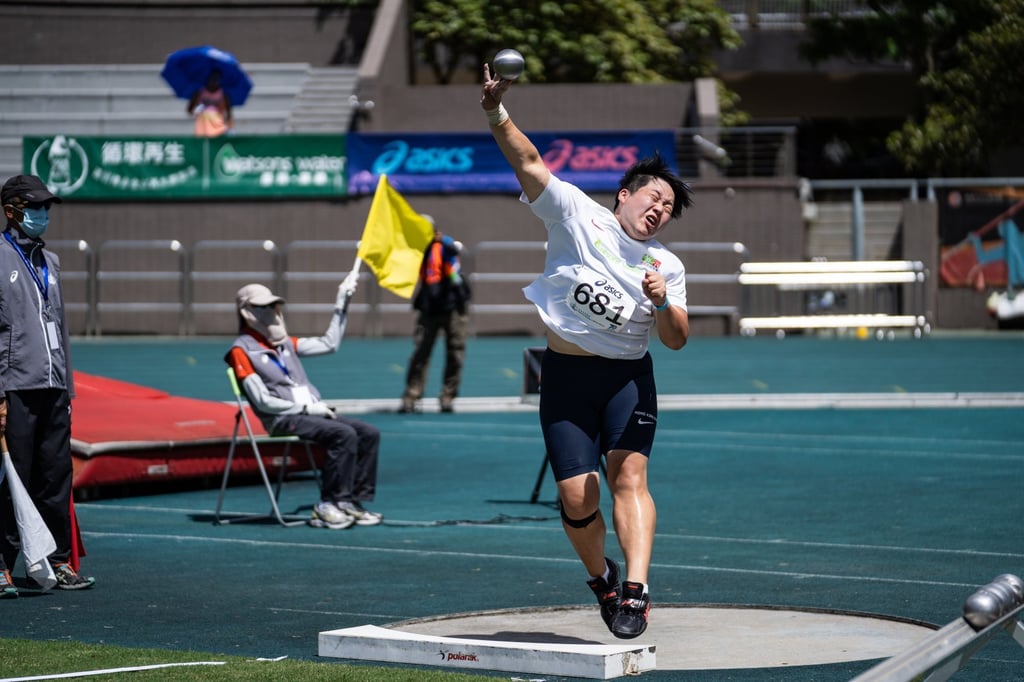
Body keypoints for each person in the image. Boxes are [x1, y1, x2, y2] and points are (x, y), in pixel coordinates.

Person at [480, 67, 693, 639]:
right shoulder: (576, 212)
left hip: (627, 380)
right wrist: (497, 112)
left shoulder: (665, 265)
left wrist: (664, 301)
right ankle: (602, 578)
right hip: (567, 376)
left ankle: (637, 592)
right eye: (654, 196)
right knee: (577, 496)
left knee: (630, 482)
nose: (659, 209)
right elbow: (528, 163)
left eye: (668, 207)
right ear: (625, 193)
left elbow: (676, 338)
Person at [0, 174, 94, 596]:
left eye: (46, 207)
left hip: (53, 388)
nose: (43, 214)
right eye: (35, 206)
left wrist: (68, 390)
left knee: (56, 477)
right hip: (15, 386)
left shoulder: (49, 262)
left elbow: (61, 328)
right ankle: (2, 564)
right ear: (11, 210)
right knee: (11, 478)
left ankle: (57, 562)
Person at [225, 281, 382, 530]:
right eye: (263, 306)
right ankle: (328, 504)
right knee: (343, 434)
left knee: (368, 433)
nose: (271, 311)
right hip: (282, 418)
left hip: (312, 412)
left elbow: (329, 344)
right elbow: (263, 401)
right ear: (246, 311)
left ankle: (351, 501)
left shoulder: (285, 343)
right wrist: (307, 409)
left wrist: (342, 302)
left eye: (273, 305)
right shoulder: (240, 350)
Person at [399, 217, 471, 414]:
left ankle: (448, 396)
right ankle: (412, 396)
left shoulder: (445, 246)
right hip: (429, 307)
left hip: (453, 307)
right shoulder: (417, 251)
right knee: (420, 352)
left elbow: (458, 250)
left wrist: (443, 240)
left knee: (455, 353)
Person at [188, 69, 233, 137]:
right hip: (202, 126)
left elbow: (228, 113)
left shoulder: (223, 95)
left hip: (218, 125)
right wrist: (196, 110)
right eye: (212, 79)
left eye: (216, 79)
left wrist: (230, 127)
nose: (213, 82)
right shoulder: (199, 93)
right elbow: (190, 110)